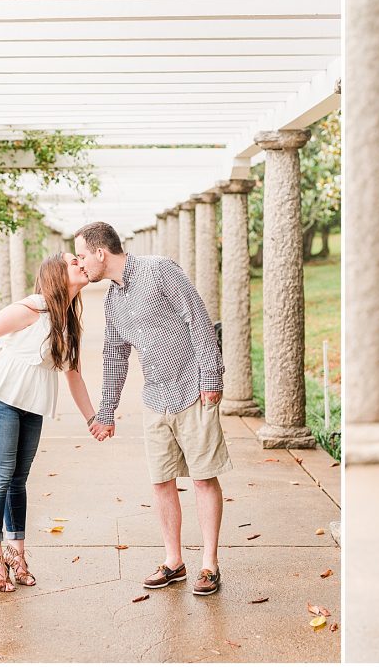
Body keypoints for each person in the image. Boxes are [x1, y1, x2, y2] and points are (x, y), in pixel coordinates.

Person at [73, 221, 231, 596]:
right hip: (155, 400)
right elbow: (115, 355)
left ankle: (209, 564)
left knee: (203, 478)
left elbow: (198, 318)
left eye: (82, 255)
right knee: (161, 481)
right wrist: (106, 411)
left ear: (100, 252)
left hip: (192, 388)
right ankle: (174, 561)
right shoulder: (113, 298)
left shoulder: (159, 270)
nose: (81, 264)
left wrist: (211, 375)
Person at [0, 252, 102, 593]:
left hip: (31, 406)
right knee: (0, 476)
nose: (81, 263)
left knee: (19, 480)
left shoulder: (67, 320)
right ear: (57, 274)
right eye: (74, 261)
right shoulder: (32, 308)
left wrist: (92, 418)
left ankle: (16, 553)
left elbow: (73, 376)